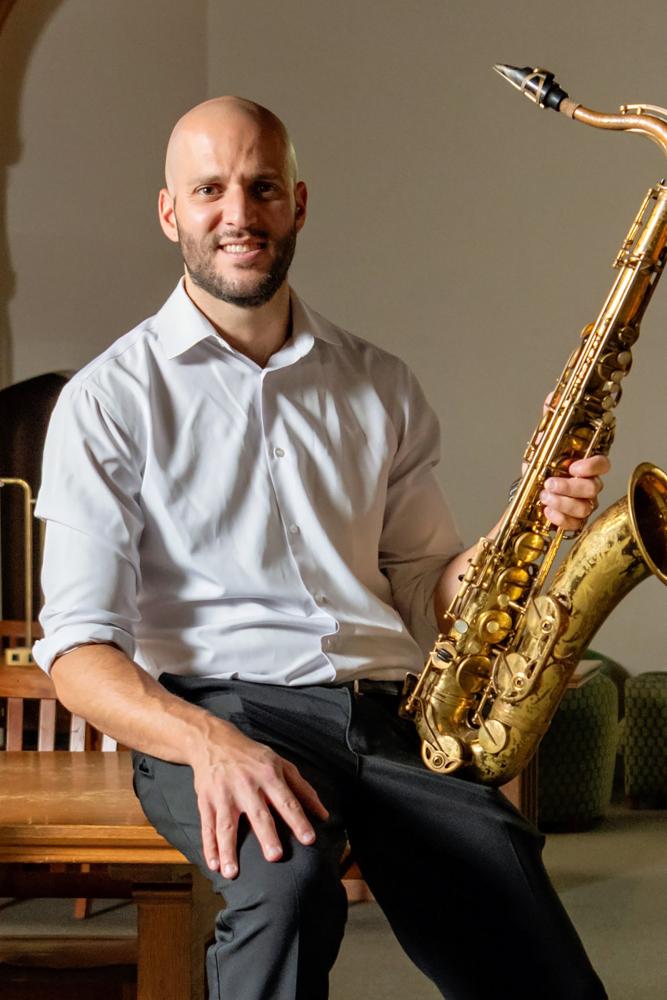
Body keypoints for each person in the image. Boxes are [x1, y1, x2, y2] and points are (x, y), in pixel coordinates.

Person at [34, 97, 609, 1000]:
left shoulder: (380, 384)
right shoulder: (110, 400)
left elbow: (425, 587)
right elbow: (76, 653)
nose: (238, 214)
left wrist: (528, 534)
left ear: (297, 204)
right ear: (169, 212)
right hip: (217, 712)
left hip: (383, 718)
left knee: (521, 925)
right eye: (210, 190)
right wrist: (211, 744)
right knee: (290, 889)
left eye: (262, 188)